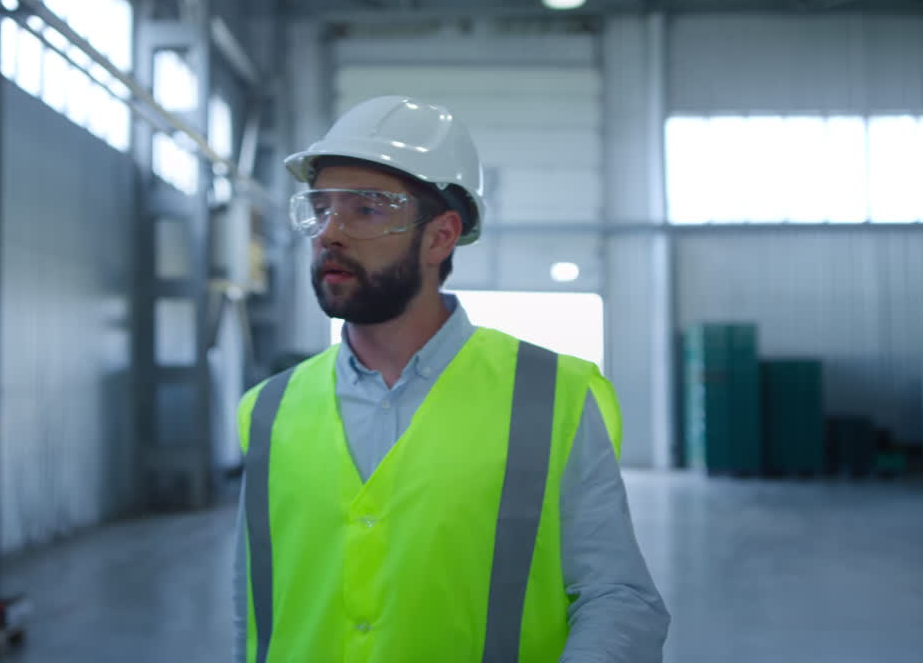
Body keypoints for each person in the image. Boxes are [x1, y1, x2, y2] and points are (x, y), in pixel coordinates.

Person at [232, 96, 669, 662]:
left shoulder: (551, 398)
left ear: (440, 237)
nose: (329, 234)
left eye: (365, 209)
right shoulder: (269, 409)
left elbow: (618, 598)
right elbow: (255, 610)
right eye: (320, 208)